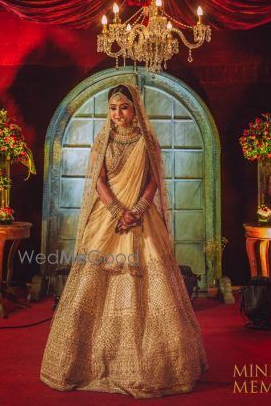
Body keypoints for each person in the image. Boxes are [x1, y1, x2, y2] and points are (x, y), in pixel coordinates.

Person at [40, 83, 208, 398]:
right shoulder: (103, 140)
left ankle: (153, 366)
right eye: (113, 108)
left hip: (142, 218)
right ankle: (88, 364)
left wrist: (138, 211)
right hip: (108, 217)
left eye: (124, 107)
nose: (118, 114)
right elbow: (99, 181)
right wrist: (119, 211)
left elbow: (153, 179)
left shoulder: (148, 140)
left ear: (136, 109)